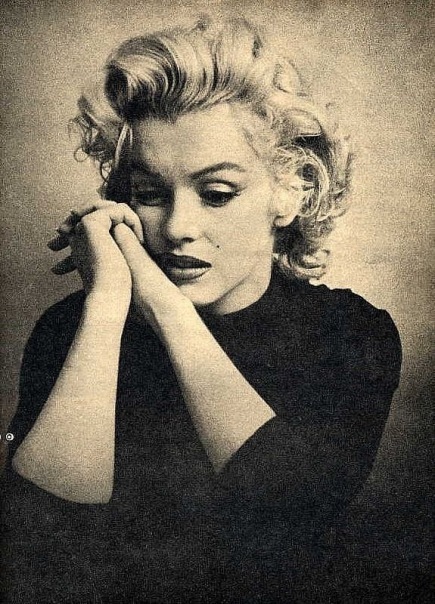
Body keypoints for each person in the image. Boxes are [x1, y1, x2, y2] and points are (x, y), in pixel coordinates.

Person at [3, 17, 401, 603]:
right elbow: (39, 551)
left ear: (291, 192)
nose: (178, 228)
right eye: (149, 194)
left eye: (216, 194)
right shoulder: (73, 328)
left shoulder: (350, 334)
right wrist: (108, 305)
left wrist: (162, 304)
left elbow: (286, 521)